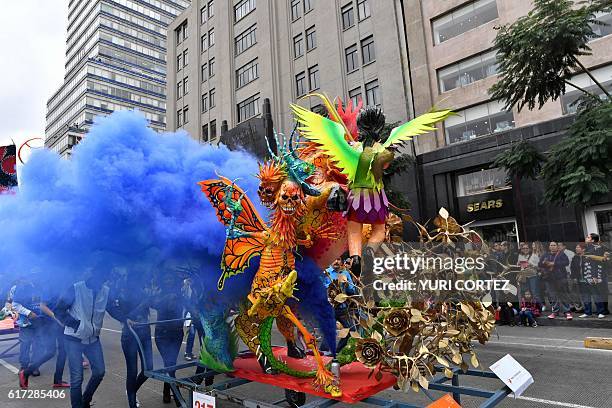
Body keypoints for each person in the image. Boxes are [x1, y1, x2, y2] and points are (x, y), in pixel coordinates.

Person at [54, 270, 111, 408]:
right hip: (73, 339)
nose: (103, 282)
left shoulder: (105, 290)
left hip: (93, 339)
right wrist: (76, 324)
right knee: (77, 378)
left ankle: (85, 400)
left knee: (99, 372)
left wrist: (126, 319)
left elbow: (113, 309)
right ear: (93, 275)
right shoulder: (75, 288)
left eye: (105, 278)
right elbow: (59, 310)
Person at [108, 272, 152, 408]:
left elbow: (156, 305)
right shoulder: (121, 292)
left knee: (149, 369)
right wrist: (124, 319)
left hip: (145, 333)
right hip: (129, 335)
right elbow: (109, 307)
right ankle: (132, 403)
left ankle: (131, 391)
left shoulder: (145, 291)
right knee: (132, 371)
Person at [152, 272, 185, 405]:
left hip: (177, 333)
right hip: (162, 334)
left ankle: (167, 392)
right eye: (166, 278)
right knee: (169, 364)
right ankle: (177, 397)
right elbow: (153, 303)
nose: (168, 281)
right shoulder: (158, 293)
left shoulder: (180, 294)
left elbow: (190, 306)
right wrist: (166, 298)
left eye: (171, 278)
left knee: (171, 365)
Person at [322, 257, 358, 352]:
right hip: (329, 308)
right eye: (334, 259)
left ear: (341, 261)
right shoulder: (325, 273)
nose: (336, 261)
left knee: (351, 330)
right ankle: (323, 351)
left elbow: (352, 290)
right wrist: (330, 288)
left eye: (338, 259)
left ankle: (338, 351)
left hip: (343, 308)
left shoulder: (345, 273)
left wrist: (347, 285)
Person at [14, 275, 42, 379]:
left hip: (40, 321)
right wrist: (28, 312)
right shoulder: (22, 287)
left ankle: (34, 366)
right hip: (26, 322)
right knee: (25, 343)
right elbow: (15, 305)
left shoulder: (41, 285)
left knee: (38, 344)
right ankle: (24, 367)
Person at [539, 242, 572, 320]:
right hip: (549, 278)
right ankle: (555, 312)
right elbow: (540, 264)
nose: (552, 247)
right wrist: (544, 263)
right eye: (551, 245)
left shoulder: (561, 254)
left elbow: (566, 262)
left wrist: (554, 264)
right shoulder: (545, 255)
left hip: (560, 278)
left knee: (563, 295)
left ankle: (567, 312)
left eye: (554, 245)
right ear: (549, 247)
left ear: (557, 247)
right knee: (552, 296)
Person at [575, 241, 607, 319]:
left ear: (583, 249)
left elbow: (594, 266)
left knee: (596, 295)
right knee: (585, 297)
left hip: (590, 279)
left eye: (578, 247)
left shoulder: (589, 256)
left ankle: (601, 312)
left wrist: (594, 276)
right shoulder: (576, 257)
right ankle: (587, 312)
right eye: (576, 247)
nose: (576, 249)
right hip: (581, 280)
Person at [586, 233, 610, 316]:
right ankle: (602, 310)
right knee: (598, 292)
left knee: (602, 291)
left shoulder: (603, 248)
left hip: (601, 273)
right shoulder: (588, 248)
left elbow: (606, 260)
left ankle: (604, 310)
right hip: (593, 272)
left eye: (588, 237)